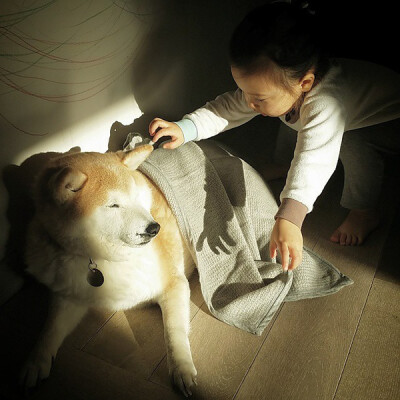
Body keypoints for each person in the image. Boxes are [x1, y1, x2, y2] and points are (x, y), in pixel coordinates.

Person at [148, 1, 400, 271]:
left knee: (349, 143)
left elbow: (314, 158)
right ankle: (282, 162)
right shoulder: (286, 88)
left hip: (385, 123)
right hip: (333, 109)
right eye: (244, 91)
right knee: (285, 114)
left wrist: (290, 218)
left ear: (305, 83)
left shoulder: (326, 103)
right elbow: (228, 108)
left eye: (257, 97)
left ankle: (364, 211)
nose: (248, 102)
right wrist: (186, 128)